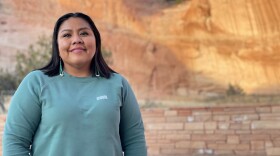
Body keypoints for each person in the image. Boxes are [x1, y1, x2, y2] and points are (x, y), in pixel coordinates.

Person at [3, 12, 147, 156]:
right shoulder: (36, 82)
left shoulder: (118, 84)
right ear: (57, 45)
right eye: (67, 35)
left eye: (84, 33)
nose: (76, 39)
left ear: (96, 41)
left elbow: (135, 141)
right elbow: (15, 142)